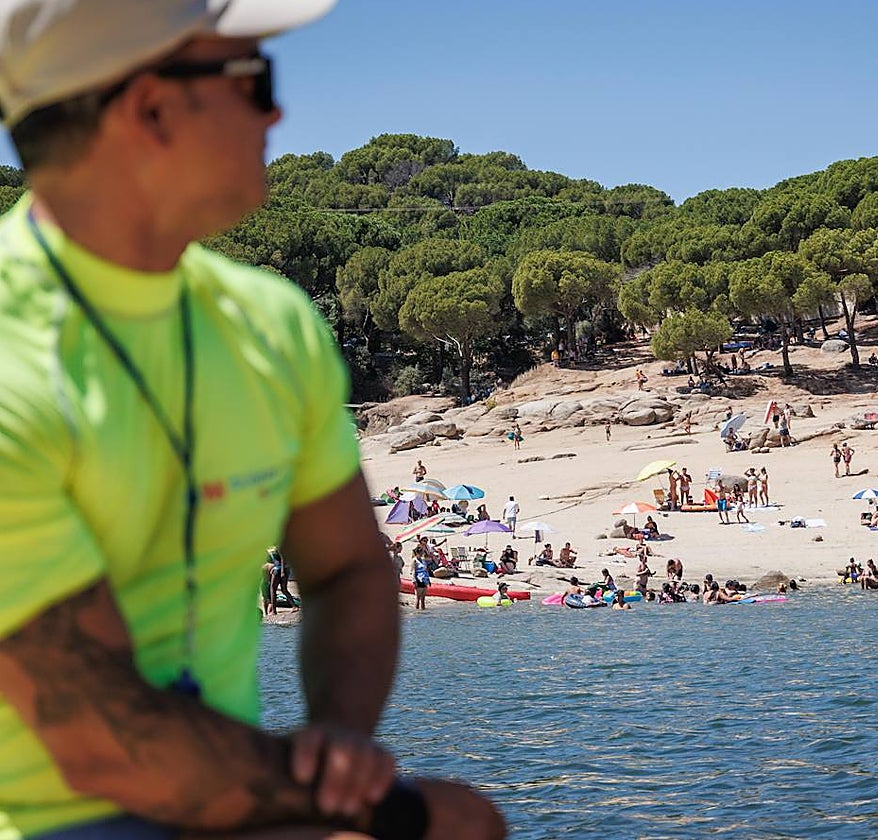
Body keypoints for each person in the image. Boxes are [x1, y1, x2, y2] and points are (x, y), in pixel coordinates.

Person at [0, 4, 503, 838]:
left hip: (218, 793)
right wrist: (372, 805)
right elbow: (102, 745)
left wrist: (338, 737)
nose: (276, 113)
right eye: (252, 79)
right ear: (151, 108)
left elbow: (346, 571)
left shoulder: (271, 323)